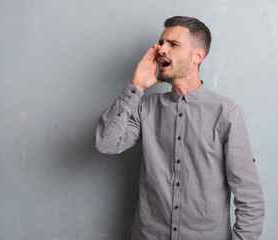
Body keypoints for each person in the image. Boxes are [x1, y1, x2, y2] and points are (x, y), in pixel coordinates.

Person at [94, 16, 264, 240]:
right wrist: (135, 87)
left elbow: (249, 199)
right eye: (161, 42)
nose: (161, 49)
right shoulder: (145, 108)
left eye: (173, 44)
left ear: (198, 56)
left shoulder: (226, 114)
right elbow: (106, 143)